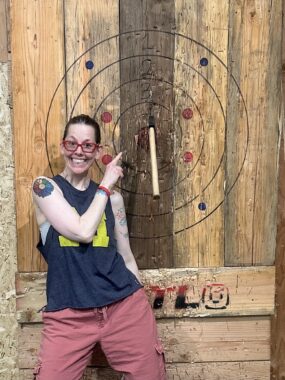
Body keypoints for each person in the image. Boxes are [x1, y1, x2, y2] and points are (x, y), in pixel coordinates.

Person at [32, 114, 166, 380]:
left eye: (87, 145)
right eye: (72, 144)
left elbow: (125, 256)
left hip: (123, 306)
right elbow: (82, 231)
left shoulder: (113, 200)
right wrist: (105, 184)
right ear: (62, 146)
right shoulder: (45, 187)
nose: (78, 152)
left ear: (97, 151)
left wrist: (139, 301)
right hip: (68, 313)